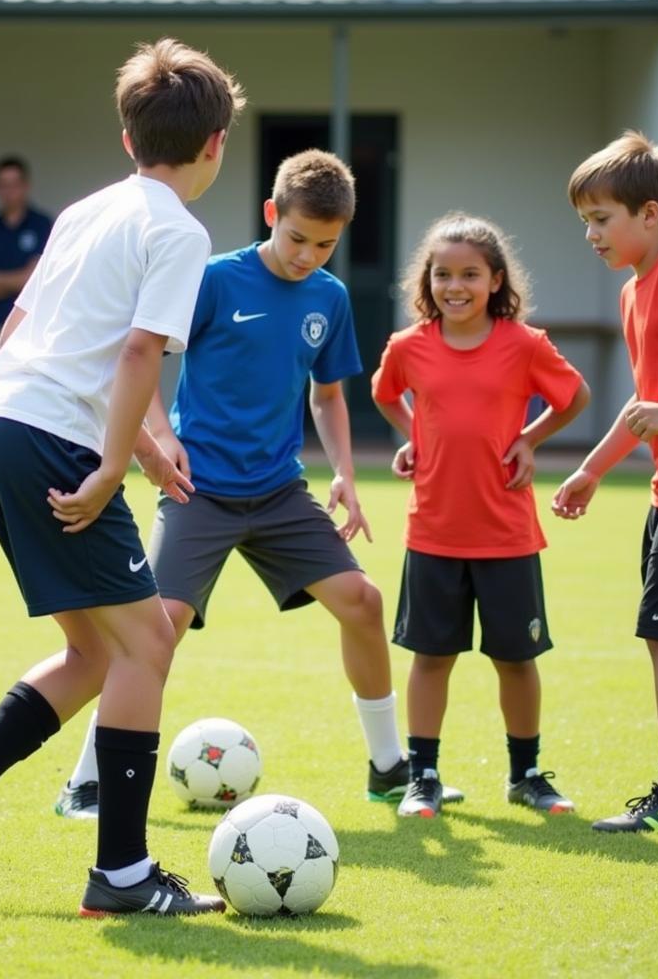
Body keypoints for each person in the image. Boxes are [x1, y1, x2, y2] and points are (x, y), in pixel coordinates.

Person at [0, 38, 245, 916]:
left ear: (129, 139)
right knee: (147, 641)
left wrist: (147, 449)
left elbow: (27, 330)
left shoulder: (88, 210)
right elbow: (134, 352)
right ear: (216, 145)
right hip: (51, 438)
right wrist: (115, 460)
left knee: (97, 650)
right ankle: (121, 874)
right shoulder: (180, 230)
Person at [55, 148, 445, 823]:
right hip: (196, 490)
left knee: (362, 601)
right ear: (272, 215)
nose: (307, 256)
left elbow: (328, 397)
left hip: (279, 492)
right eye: (297, 238)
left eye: (325, 244)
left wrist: (346, 475)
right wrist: (161, 434)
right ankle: (85, 783)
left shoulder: (331, 297)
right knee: (153, 632)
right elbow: (139, 358)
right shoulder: (212, 280)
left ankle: (388, 768)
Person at [372, 212, 590, 819]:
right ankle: (423, 776)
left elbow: (575, 396)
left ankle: (526, 774)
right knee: (431, 658)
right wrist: (412, 435)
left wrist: (531, 438)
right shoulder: (408, 346)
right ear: (428, 281)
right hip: (434, 533)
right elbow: (384, 392)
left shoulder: (524, 344)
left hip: (508, 535)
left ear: (495, 280)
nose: (455, 286)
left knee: (515, 660)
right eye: (443, 274)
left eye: (470, 273)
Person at [555, 131, 658, 833]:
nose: (590, 234)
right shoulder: (634, 293)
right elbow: (647, 406)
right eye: (584, 220)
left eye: (601, 219)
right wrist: (590, 470)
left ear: (649, 213)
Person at [0, 156, 52, 381]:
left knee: (27, 389)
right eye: (3, 185)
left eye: (14, 185)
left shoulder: (43, 225)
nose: (8, 191)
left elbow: (34, 279)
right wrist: (17, 279)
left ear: (25, 186)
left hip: (30, 325)